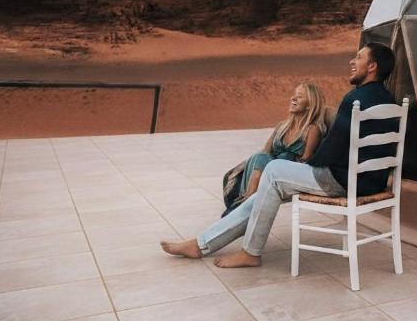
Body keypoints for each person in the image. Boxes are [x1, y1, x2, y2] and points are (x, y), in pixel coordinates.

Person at [160, 42, 397, 268]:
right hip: (371, 183)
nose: (352, 61)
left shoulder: (355, 99)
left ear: (372, 66)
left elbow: (333, 147)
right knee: (269, 188)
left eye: (358, 57)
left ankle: (250, 252)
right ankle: (202, 243)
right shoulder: (389, 101)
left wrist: (308, 164)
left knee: (273, 171)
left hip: (342, 182)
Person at [220, 82, 327, 217]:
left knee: (263, 159)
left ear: (310, 105)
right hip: (267, 171)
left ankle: (247, 201)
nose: (293, 98)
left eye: (299, 97)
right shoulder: (282, 126)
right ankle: (247, 201)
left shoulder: (312, 130)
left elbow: (305, 161)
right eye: (293, 95)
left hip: (284, 172)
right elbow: (266, 150)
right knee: (260, 157)